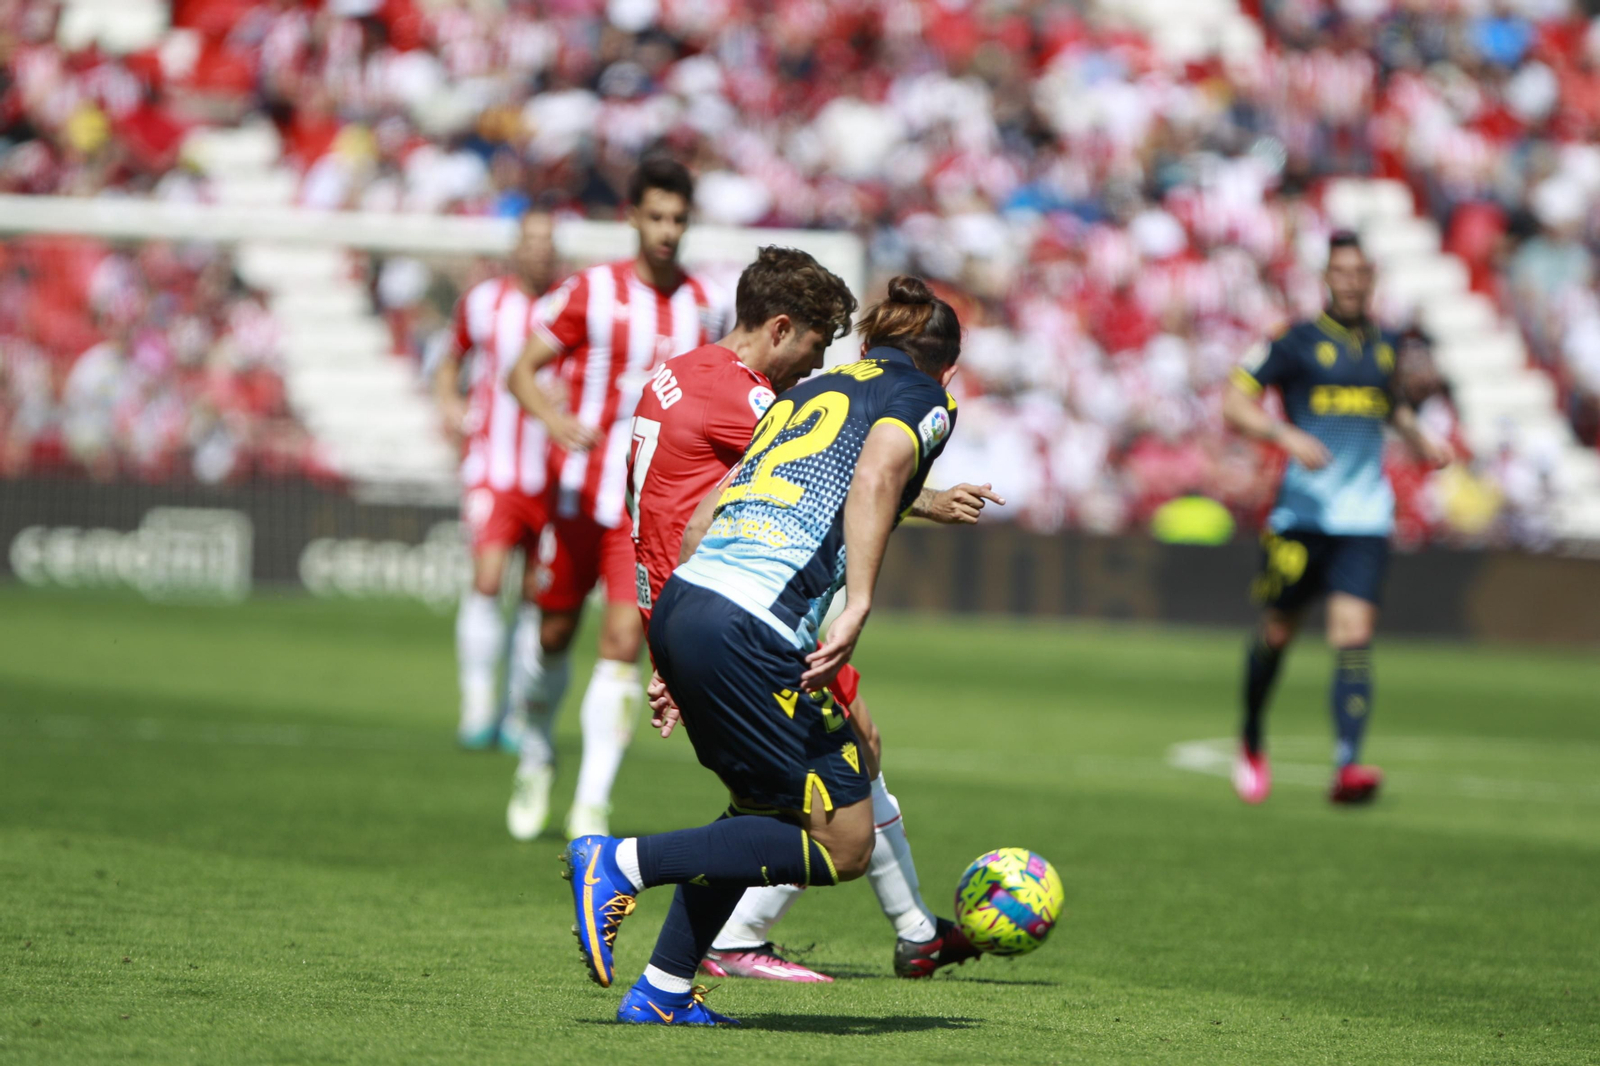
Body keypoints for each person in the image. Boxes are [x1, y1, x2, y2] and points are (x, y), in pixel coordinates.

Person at [562, 275, 965, 1026]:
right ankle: (620, 862)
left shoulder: (805, 394)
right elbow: (877, 475)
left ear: (869, 345)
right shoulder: (925, 399)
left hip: (689, 601)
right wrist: (861, 603)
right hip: (754, 623)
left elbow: (704, 516)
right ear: (946, 367)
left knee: (759, 811)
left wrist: (679, 650)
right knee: (842, 843)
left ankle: (663, 991)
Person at [505, 158, 729, 841]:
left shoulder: (708, 304)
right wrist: (552, 419)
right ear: (631, 217)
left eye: (678, 219)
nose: (666, 231)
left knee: (623, 641)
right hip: (579, 491)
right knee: (551, 633)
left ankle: (592, 800)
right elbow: (522, 370)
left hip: (643, 509)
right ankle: (538, 753)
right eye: (656, 217)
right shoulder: (590, 292)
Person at [1223, 231, 1452, 806]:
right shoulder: (1295, 342)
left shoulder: (1387, 346)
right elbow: (1234, 400)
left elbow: (1385, 401)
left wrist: (1417, 434)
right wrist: (1283, 433)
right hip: (1301, 515)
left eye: (1360, 272)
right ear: (1327, 278)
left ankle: (1347, 765)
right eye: (1341, 271)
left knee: (1354, 634)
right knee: (1277, 632)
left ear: (1370, 278)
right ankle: (1251, 736)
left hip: (1363, 518)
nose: (1351, 281)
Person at [431, 209, 559, 760]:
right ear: (516, 247)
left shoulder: (569, 305)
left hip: (552, 472)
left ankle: (514, 710)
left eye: (546, 242)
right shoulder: (483, 302)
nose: (538, 250)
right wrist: (448, 400)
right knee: (487, 578)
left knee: (536, 594)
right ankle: (477, 703)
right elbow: (449, 360)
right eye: (530, 240)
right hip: (493, 466)